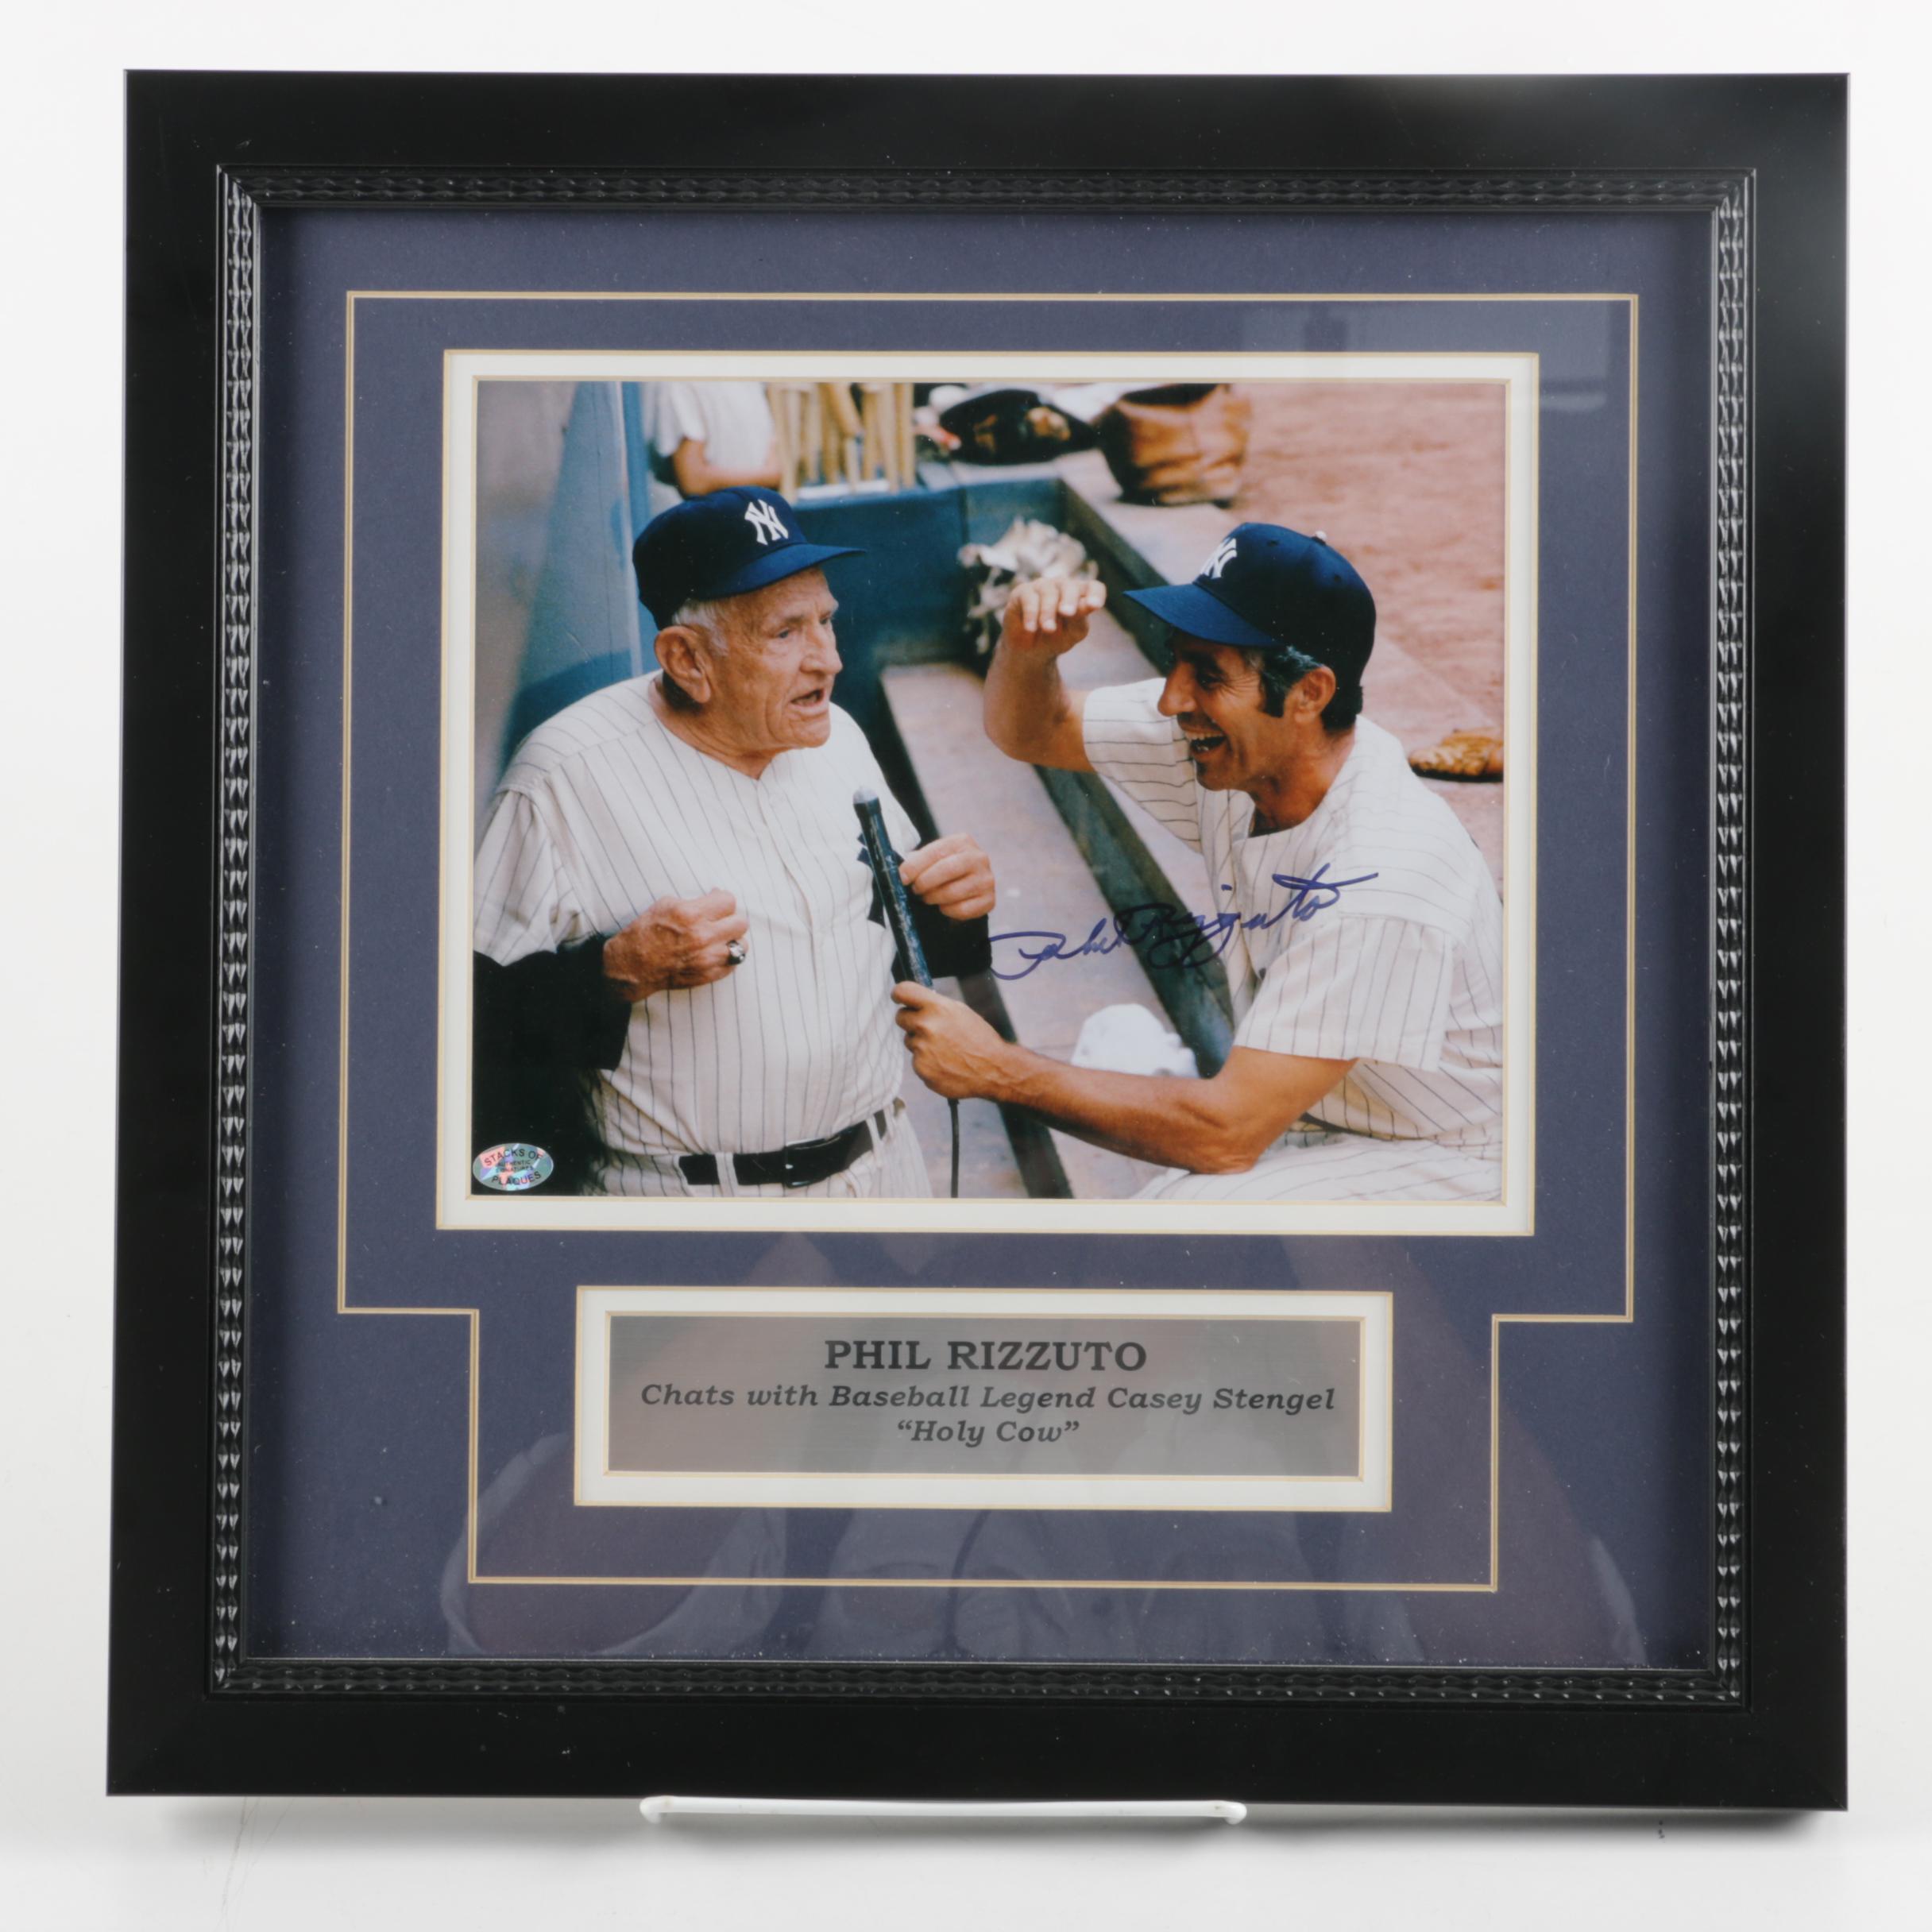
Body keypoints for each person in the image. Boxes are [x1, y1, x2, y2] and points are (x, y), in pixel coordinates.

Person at [891, 524, 1505, 1204]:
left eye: (1207, 674)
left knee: (1177, 1212)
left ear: (1309, 694)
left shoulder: (1383, 870)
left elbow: (1226, 1133)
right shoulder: (1239, 742)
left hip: (1449, 1156)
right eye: (1175, 660)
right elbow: (1031, 729)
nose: (1172, 699)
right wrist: (1028, 651)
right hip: (1325, 1114)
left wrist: (999, 1071)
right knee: (1118, 1046)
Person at [472, 486, 995, 1198]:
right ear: (688, 660)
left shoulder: (837, 735)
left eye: (826, 622)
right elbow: (464, 1022)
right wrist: (612, 971)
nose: (828, 660)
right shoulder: (563, 774)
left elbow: (907, 936)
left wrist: (958, 905)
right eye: (786, 634)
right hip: (687, 1206)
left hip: (880, 1175)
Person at [644, 381, 782, 517]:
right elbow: (694, 481)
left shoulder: (749, 381)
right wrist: (770, 476)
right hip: (712, 523)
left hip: (751, 519)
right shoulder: (681, 384)